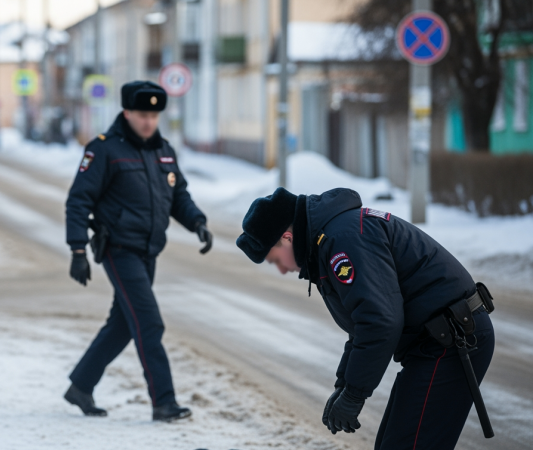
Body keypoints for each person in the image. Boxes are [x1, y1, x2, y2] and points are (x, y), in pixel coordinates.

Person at [235, 187, 495, 449]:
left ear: (287, 237)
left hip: (454, 340)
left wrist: (354, 394)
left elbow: (380, 322)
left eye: (275, 259)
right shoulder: (329, 238)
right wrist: (344, 385)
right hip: (437, 341)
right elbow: (363, 324)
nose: (281, 270)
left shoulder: (342, 240)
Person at [63, 81, 212, 422]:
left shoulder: (164, 151)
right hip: (118, 248)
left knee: (122, 324)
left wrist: (197, 223)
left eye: (154, 115)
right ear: (127, 112)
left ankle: (80, 386)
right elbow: (78, 200)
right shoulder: (104, 150)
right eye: (142, 114)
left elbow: (179, 197)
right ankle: (164, 401)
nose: (148, 122)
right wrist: (77, 249)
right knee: (148, 323)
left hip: (148, 251)